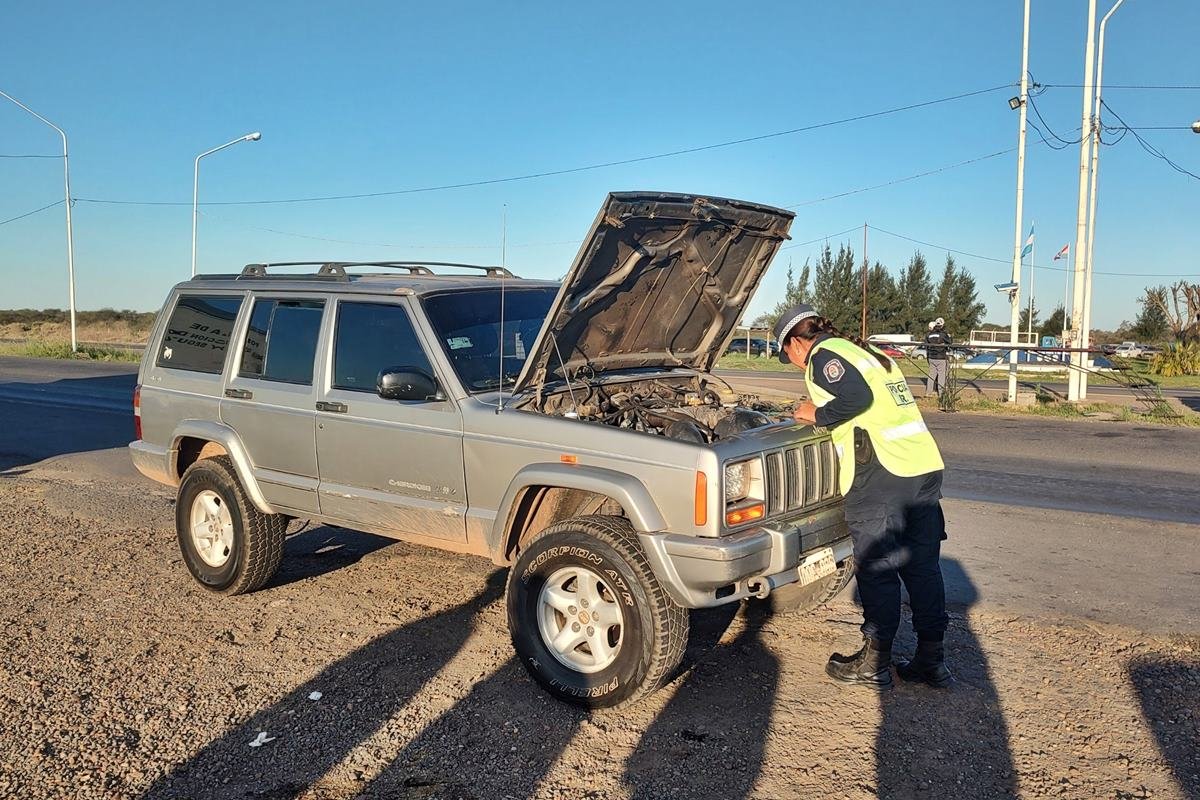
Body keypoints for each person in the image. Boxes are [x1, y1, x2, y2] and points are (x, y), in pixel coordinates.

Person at [771, 303, 952, 689]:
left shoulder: (824, 356)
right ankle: (931, 660)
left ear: (795, 343)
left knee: (877, 566)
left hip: (882, 471)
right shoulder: (866, 351)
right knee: (922, 567)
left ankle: (873, 663)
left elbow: (856, 399)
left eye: (785, 353)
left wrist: (813, 414)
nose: (790, 362)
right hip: (920, 465)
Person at [924, 318, 952, 398]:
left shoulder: (929, 334)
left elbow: (926, 344)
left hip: (931, 357)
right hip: (941, 357)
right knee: (941, 375)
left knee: (931, 375)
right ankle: (941, 394)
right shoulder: (943, 334)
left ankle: (928, 392)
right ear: (942, 325)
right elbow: (950, 342)